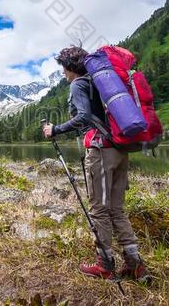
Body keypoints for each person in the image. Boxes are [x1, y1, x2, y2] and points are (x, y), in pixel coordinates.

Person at [42, 45, 150, 282]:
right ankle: (134, 264)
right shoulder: (102, 83)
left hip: (101, 151)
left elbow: (84, 117)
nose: (63, 73)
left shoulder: (79, 83)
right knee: (116, 208)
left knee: (99, 209)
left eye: (63, 68)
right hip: (120, 149)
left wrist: (55, 130)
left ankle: (105, 265)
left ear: (71, 67)